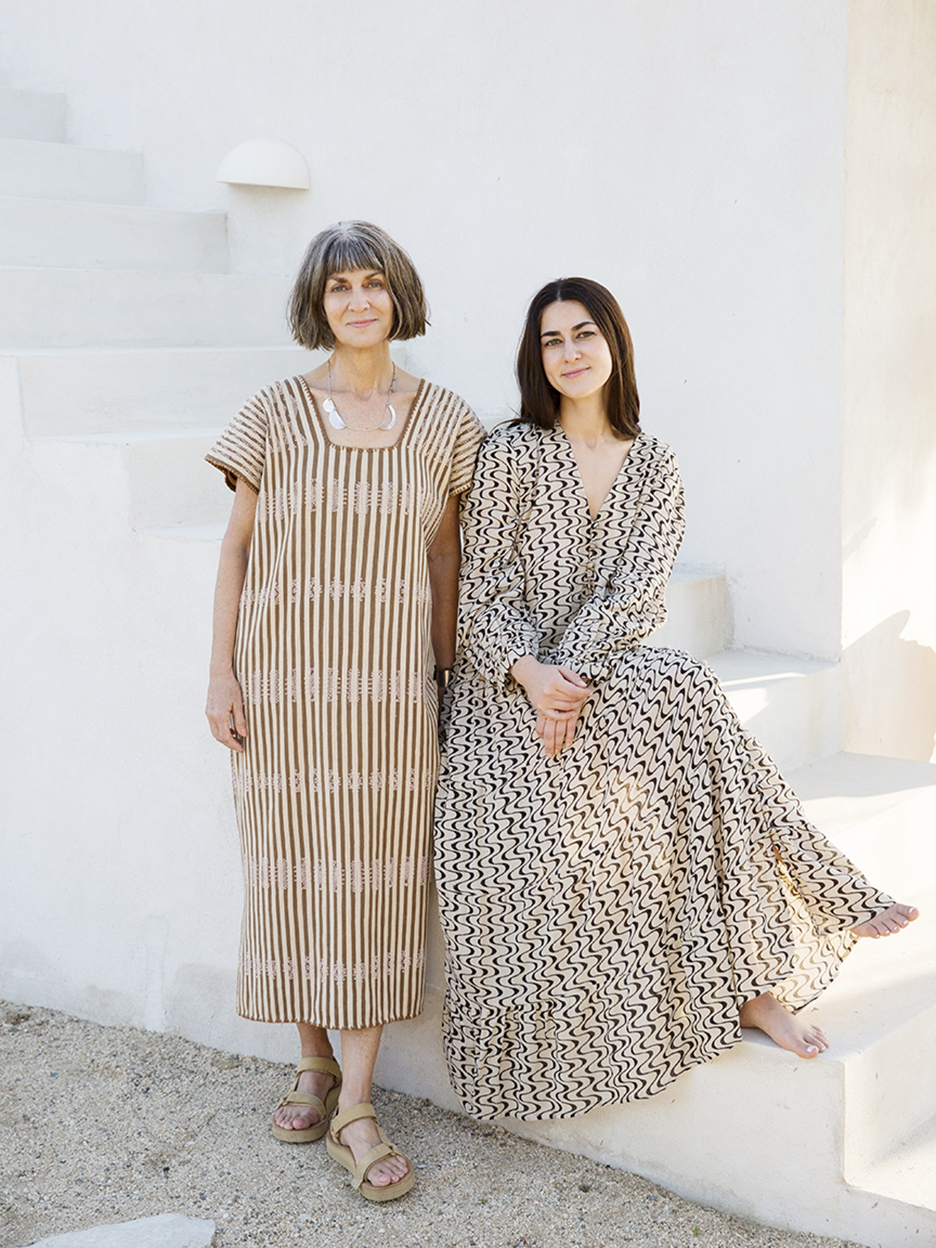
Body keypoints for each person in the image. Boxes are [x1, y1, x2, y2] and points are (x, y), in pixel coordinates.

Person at [434, 276, 918, 1122]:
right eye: (552, 340)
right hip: (502, 688)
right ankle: (805, 911)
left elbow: (637, 597)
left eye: (585, 333)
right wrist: (536, 681)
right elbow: (481, 599)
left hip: (593, 673)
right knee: (684, 698)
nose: (571, 352)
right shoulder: (509, 450)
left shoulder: (653, 463)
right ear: (535, 357)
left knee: (684, 691)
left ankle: (753, 976)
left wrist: (569, 683)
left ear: (614, 343)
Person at [205, 221, 483, 1197]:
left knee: (369, 884)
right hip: (282, 688)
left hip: (391, 695)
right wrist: (221, 675)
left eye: (372, 283)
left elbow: (447, 559)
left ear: (398, 296)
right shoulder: (273, 414)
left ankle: (356, 1106)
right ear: (316, 307)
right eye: (338, 289)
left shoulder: (447, 422)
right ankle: (314, 1062)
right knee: (292, 872)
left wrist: (451, 679)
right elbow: (236, 549)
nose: (357, 301)